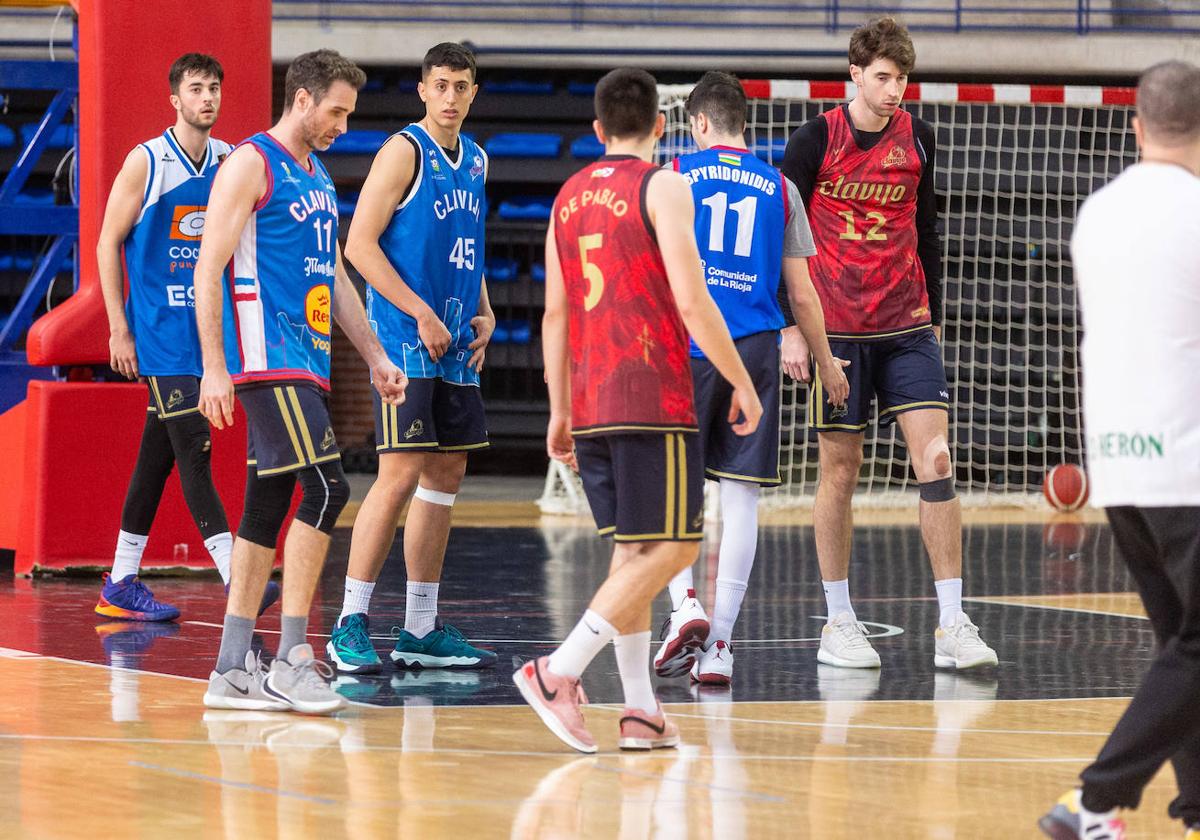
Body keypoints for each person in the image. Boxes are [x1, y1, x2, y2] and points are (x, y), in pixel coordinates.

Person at [514, 67, 763, 753]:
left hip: (591, 399)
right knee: (679, 546)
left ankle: (639, 711)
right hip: (653, 394)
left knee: (635, 555)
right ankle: (557, 670)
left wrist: (557, 410)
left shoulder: (566, 197)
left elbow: (555, 314)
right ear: (662, 125)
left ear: (597, 131)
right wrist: (742, 382)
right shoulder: (664, 185)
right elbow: (692, 300)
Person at [193, 49, 407, 715]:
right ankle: (292, 656)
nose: (344, 123)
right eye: (337, 110)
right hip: (265, 359)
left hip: (306, 360)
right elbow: (207, 269)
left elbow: (334, 279)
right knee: (328, 488)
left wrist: (372, 353)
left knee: (265, 510)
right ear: (303, 99)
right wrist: (212, 365)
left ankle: (231, 669)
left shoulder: (317, 178)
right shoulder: (251, 163)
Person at [779, 17, 996, 670]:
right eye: (882, 77)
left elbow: (928, 230)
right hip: (836, 332)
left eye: (901, 77)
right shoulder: (814, 141)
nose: (894, 88)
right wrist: (791, 325)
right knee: (841, 472)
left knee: (935, 462)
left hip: (907, 327)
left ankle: (953, 624)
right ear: (854, 74)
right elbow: (780, 243)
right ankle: (839, 621)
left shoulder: (919, 138)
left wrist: (937, 315)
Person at [1038, 60, 1200, 840]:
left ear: (1136, 125)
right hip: (1187, 464)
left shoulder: (1096, 212)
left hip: (1119, 462)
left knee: (1183, 648)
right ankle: (1095, 801)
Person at [653, 71, 849, 685]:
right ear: (745, 123)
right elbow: (804, 293)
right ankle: (721, 651)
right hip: (755, 351)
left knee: (674, 490)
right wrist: (824, 360)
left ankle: (685, 604)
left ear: (699, 124)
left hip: (686, 343)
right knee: (740, 500)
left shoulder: (672, 177)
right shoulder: (781, 187)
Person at [330, 42, 495, 674]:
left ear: (473, 92)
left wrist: (485, 309)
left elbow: (469, 244)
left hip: (453, 339)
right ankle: (350, 620)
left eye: (461, 86)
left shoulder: (476, 160)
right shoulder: (405, 151)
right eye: (441, 85)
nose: (451, 96)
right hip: (406, 338)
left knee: (445, 476)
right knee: (398, 473)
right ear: (423, 91)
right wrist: (420, 312)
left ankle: (419, 629)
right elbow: (360, 248)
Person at [95, 53, 278, 621]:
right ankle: (237, 580)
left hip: (207, 333)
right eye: (196, 89)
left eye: (215, 88)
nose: (207, 98)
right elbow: (107, 243)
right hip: (158, 332)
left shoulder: (230, 161)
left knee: (158, 457)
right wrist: (119, 327)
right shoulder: (146, 162)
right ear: (175, 99)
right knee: (195, 447)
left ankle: (121, 582)